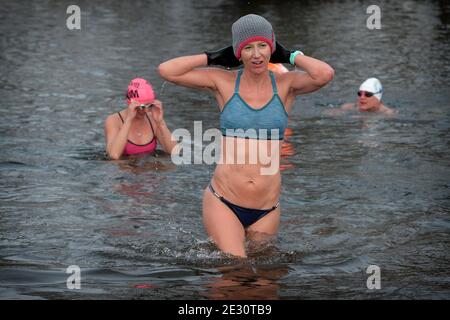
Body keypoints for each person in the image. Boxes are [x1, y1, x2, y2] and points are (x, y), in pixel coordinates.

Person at [158, 14, 334, 257]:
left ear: (272, 48)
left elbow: (324, 74)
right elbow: (167, 70)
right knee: (235, 268)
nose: (256, 54)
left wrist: (292, 55)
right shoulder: (223, 82)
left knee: (264, 284)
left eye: (263, 45)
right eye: (247, 47)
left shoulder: (286, 85)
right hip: (224, 201)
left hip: (267, 209)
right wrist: (212, 57)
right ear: (237, 52)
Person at [104, 78, 178, 160]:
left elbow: (175, 153)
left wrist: (161, 123)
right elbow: (113, 156)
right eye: (142, 107)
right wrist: (129, 120)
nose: (146, 111)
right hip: (126, 170)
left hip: (149, 169)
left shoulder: (152, 119)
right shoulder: (113, 121)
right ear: (130, 103)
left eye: (149, 106)